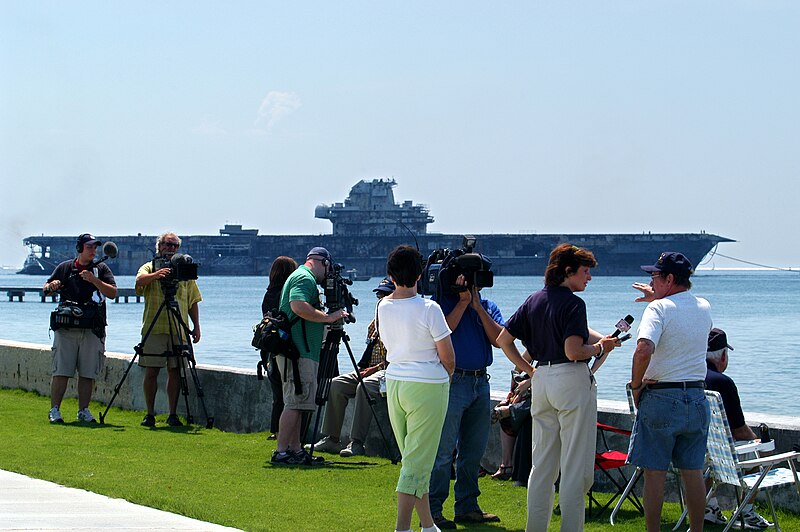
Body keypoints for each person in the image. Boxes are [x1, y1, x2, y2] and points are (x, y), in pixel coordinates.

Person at [496, 243, 618, 532]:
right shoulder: (574, 304)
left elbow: (503, 339)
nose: (588, 277)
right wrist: (601, 347)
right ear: (568, 272)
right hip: (571, 380)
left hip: (543, 380)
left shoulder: (533, 300)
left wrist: (530, 371)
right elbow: (574, 350)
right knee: (575, 466)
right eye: (585, 271)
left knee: (542, 465)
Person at [628, 251, 712, 532]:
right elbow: (682, 320)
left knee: (655, 473)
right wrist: (659, 298)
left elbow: (643, 350)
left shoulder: (657, 309)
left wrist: (637, 386)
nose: (651, 282)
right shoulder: (704, 306)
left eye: (655, 276)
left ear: (670, 279)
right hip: (698, 397)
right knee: (692, 472)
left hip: (662, 396)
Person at [377, 245, 455, 532]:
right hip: (428, 385)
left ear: (390, 275)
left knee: (413, 458)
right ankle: (402, 528)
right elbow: (448, 356)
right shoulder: (429, 308)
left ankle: (428, 525)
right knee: (416, 462)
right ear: (420, 274)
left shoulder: (383, 305)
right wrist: (443, 376)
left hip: (396, 381)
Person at [428, 269, 505, 529]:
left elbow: (498, 340)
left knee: (472, 451)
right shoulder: (441, 305)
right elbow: (444, 331)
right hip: (453, 380)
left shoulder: (488, 306)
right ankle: (433, 511)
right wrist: (462, 303)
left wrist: (477, 307)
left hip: (480, 382)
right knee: (442, 451)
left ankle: (467, 507)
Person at [270, 247, 349, 466]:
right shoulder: (305, 278)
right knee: (294, 403)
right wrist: (329, 317)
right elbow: (298, 306)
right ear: (322, 262)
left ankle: (295, 449)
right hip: (298, 351)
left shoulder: (301, 277)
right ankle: (282, 451)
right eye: (328, 268)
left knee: (300, 402)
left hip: (300, 350)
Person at [309, 277, 395, 457]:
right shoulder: (375, 323)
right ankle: (331, 438)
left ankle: (356, 443)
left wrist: (374, 369)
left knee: (363, 387)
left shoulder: (400, 321)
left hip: (389, 372)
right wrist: (364, 369)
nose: (382, 299)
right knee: (336, 384)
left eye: (386, 294)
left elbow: (397, 358)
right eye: (380, 295)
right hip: (371, 369)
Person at [44, 233, 117, 423]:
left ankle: (83, 410)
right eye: (89, 247)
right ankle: (55, 410)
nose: (93, 251)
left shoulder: (101, 269)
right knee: (61, 371)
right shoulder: (65, 267)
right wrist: (52, 285)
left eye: (95, 247)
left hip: (92, 329)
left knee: (88, 372)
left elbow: (113, 293)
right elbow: (46, 287)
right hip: (66, 329)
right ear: (80, 249)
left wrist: (94, 280)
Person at [703, 327, 772, 529]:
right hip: (719, 456)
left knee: (709, 457)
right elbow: (740, 430)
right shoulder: (723, 383)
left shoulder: (689, 374)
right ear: (723, 355)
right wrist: (759, 443)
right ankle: (746, 511)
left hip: (693, 450)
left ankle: (709, 507)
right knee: (758, 454)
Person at [135, 232, 202, 428]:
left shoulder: (184, 269)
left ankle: (172, 414)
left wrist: (196, 326)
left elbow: (193, 301)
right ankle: (150, 414)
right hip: (154, 327)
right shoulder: (150, 266)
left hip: (179, 328)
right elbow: (139, 282)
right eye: (167, 244)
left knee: (176, 371)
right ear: (159, 246)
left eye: (174, 246)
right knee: (151, 371)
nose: (170, 248)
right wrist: (156, 275)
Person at [261, 256, 298, 440]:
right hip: (285, 347)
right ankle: (287, 434)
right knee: (290, 394)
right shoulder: (287, 294)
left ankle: (275, 430)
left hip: (270, 349)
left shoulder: (269, 293)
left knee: (278, 394)